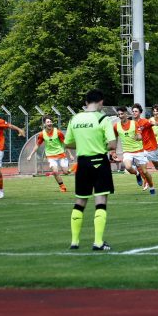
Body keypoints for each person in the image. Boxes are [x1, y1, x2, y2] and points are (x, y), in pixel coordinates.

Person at [64, 89, 117, 251]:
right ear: (101, 102)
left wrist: (82, 144)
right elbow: (112, 144)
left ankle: (74, 242)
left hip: (83, 162)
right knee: (100, 201)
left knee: (80, 201)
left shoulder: (75, 119)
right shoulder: (103, 119)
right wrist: (101, 145)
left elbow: (67, 143)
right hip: (99, 162)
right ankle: (98, 242)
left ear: (86, 103)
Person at [27, 115, 74, 193]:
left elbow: (65, 144)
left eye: (50, 122)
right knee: (55, 172)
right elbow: (37, 145)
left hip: (61, 155)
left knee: (66, 172)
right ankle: (62, 187)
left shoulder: (58, 132)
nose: (49, 123)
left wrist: (70, 154)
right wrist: (30, 155)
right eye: (47, 122)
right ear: (44, 124)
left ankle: (73, 168)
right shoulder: (42, 134)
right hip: (50, 156)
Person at [114, 107, 155, 194]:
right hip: (127, 151)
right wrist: (113, 151)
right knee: (128, 167)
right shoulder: (116, 126)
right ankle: (137, 174)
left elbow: (140, 137)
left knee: (145, 171)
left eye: (122, 114)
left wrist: (136, 137)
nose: (120, 116)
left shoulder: (134, 123)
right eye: (119, 114)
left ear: (126, 114)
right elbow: (115, 139)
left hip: (139, 151)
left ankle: (152, 187)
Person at [131, 103, 158, 191]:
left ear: (140, 112)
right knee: (138, 165)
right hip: (142, 149)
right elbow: (138, 137)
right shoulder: (132, 124)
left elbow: (154, 123)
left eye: (136, 111)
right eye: (133, 111)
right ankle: (146, 181)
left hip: (152, 148)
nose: (134, 113)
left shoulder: (145, 121)